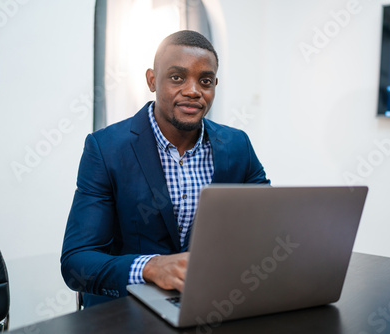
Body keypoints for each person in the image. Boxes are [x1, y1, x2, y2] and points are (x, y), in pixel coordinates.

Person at [60, 30, 270, 307]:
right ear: (151, 80)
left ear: (214, 85)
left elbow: (267, 227)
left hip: (212, 303)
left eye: (205, 81)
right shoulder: (106, 148)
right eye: (177, 77)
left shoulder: (237, 145)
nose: (193, 91)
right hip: (127, 311)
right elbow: (77, 260)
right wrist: (152, 267)